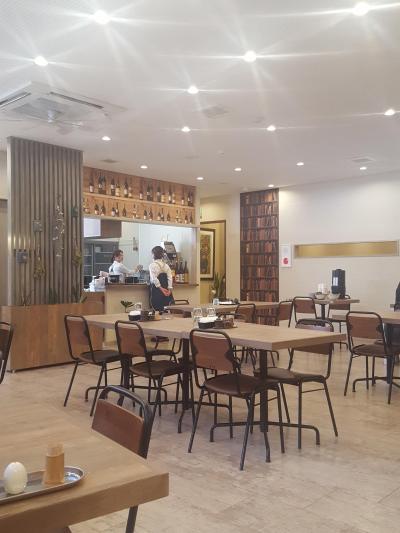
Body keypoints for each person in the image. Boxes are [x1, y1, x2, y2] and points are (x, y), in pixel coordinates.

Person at [149, 245, 174, 311]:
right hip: (166, 290)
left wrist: (161, 288)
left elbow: (154, 279)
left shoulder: (152, 265)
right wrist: (169, 290)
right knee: (166, 309)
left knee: (157, 309)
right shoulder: (166, 265)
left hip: (156, 290)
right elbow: (170, 278)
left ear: (153, 254)